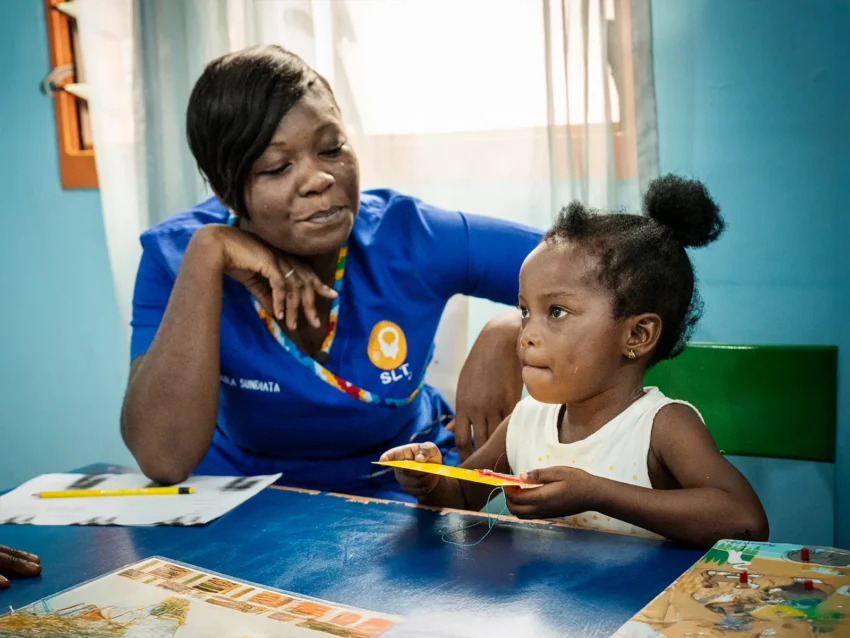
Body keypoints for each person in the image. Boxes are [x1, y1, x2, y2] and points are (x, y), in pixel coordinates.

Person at [120, 45, 542, 498]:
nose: (319, 178)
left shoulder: (410, 237)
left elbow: (607, 267)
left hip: (404, 490)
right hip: (243, 498)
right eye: (278, 167)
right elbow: (163, 459)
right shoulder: (176, 255)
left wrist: (510, 329)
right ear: (226, 189)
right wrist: (207, 254)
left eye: (332, 147)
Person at [381, 175, 770, 548]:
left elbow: (746, 522)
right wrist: (429, 479)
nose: (528, 333)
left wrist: (597, 494)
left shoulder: (661, 426)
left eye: (556, 312)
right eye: (524, 311)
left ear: (637, 335)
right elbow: (462, 496)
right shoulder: (525, 420)